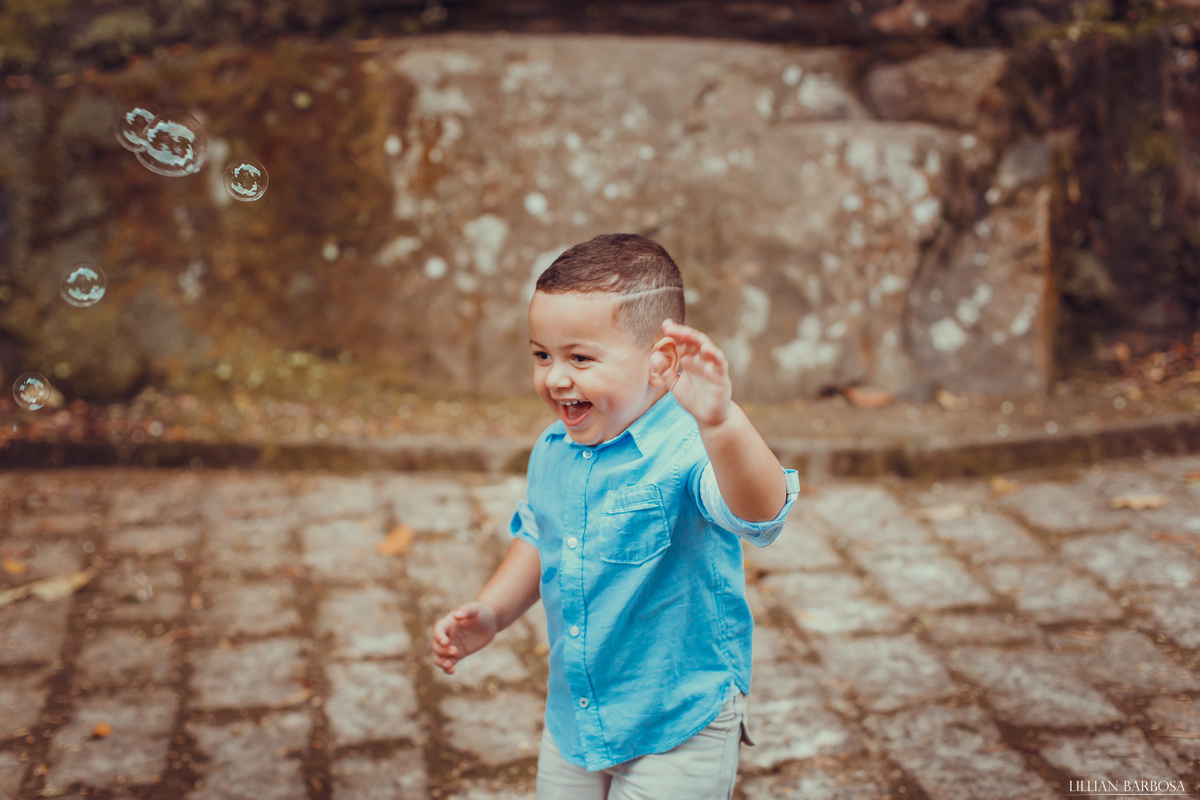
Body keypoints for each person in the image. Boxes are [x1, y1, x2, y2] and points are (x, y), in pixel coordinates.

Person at [431, 233, 800, 800]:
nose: (556, 377)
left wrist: (723, 423)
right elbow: (541, 537)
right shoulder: (553, 448)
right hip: (579, 716)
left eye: (580, 358)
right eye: (542, 355)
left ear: (661, 363)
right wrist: (493, 612)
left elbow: (761, 514)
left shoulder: (688, 448)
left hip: (678, 722)